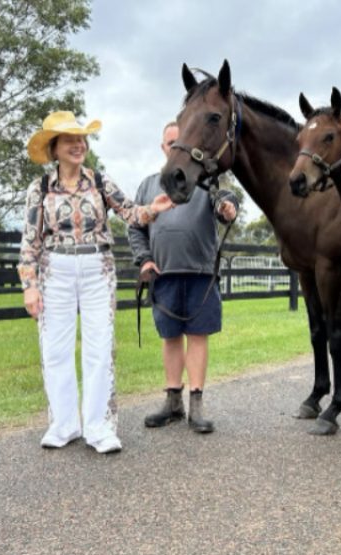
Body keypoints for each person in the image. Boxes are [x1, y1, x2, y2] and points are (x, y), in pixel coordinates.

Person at [19, 111, 172, 454]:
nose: (79, 145)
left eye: (82, 139)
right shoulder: (40, 188)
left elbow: (131, 213)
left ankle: (100, 427)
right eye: (71, 140)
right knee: (54, 350)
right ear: (55, 147)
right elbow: (30, 241)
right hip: (54, 271)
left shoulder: (100, 182)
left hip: (96, 269)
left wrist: (154, 208)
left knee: (99, 349)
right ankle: (64, 424)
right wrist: (29, 284)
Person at [128, 122, 238, 434]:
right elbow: (135, 227)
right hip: (163, 273)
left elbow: (225, 203)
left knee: (198, 336)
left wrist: (228, 209)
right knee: (170, 337)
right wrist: (145, 260)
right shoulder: (149, 185)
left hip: (201, 273)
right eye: (170, 142)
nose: (175, 146)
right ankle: (173, 401)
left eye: (181, 141)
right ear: (164, 148)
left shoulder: (206, 181)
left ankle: (197, 405)